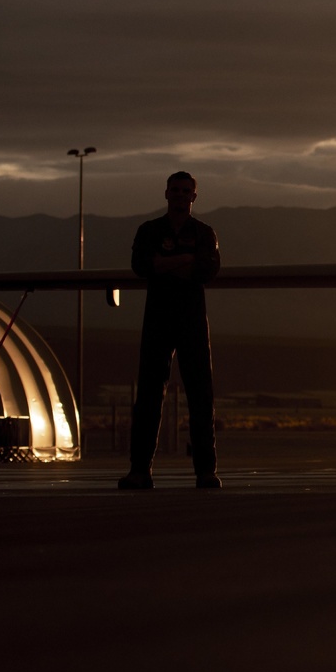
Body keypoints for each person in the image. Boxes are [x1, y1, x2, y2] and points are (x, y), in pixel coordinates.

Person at [119, 171, 221, 489]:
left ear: (194, 196)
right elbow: (141, 265)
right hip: (158, 320)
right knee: (149, 395)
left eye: (185, 191)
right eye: (174, 190)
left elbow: (207, 268)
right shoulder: (149, 230)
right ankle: (140, 470)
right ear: (166, 194)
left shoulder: (204, 232)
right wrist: (185, 260)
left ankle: (206, 471)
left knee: (200, 396)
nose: (179, 195)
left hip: (191, 321)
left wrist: (165, 262)